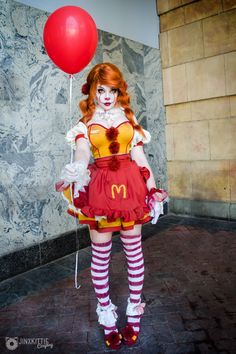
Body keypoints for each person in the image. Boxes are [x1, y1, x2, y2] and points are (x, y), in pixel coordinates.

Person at [57, 63, 168, 350]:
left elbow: (141, 160)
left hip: (131, 188)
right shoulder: (85, 123)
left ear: (120, 91)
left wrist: (153, 189)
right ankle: (106, 316)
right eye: (101, 89)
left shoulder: (130, 120)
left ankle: (134, 311)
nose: (107, 96)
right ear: (92, 90)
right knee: (101, 256)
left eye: (113, 90)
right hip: (101, 192)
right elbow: (82, 152)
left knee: (133, 251)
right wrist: (75, 169)